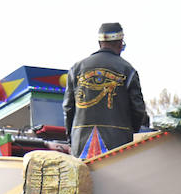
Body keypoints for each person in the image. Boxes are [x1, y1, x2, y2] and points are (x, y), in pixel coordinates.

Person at [64, 22, 150, 155]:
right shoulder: (128, 70)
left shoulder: (76, 69)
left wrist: (72, 140)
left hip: (80, 145)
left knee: (84, 176)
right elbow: (138, 110)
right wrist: (130, 133)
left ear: (100, 43)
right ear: (120, 43)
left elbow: (68, 108)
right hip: (118, 144)